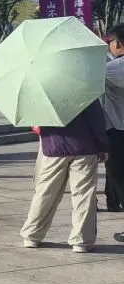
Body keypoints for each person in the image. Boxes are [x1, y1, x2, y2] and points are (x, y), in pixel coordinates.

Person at [20, 102, 109, 253]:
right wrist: (103, 146)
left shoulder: (43, 94)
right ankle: (81, 241)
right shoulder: (86, 92)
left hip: (53, 146)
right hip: (83, 146)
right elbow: (97, 120)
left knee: (46, 193)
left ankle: (32, 235)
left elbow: (34, 120)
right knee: (83, 195)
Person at [103, 23, 124, 213]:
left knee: (116, 170)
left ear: (117, 44)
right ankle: (112, 200)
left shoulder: (110, 69)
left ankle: (115, 199)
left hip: (116, 128)